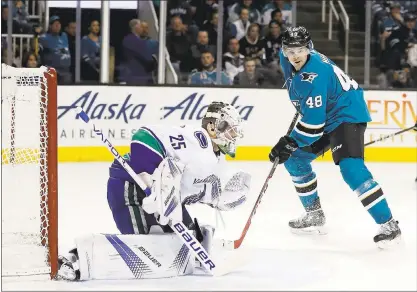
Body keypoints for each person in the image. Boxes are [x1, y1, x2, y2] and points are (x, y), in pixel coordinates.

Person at [57, 101, 251, 280]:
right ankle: (77, 257)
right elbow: (143, 137)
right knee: (147, 248)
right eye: (231, 131)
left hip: (160, 199)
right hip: (130, 187)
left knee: (184, 245)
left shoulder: (215, 159)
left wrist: (217, 198)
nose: (233, 136)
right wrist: (149, 176)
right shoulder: (198, 140)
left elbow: (189, 189)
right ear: (212, 127)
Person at [269, 26, 401, 249]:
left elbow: (313, 126)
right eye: (290, 51)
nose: (295, 56)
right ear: (283, 51)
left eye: (300, 50)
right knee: (294, 159)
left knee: (351, 168)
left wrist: (289, 142)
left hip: (346, 114)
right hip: (326, 113)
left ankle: (389, 225)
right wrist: (291, 144)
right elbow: (309, 109)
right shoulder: (287, 60)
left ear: (309, 48)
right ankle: (314, 215)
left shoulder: (315, 75)